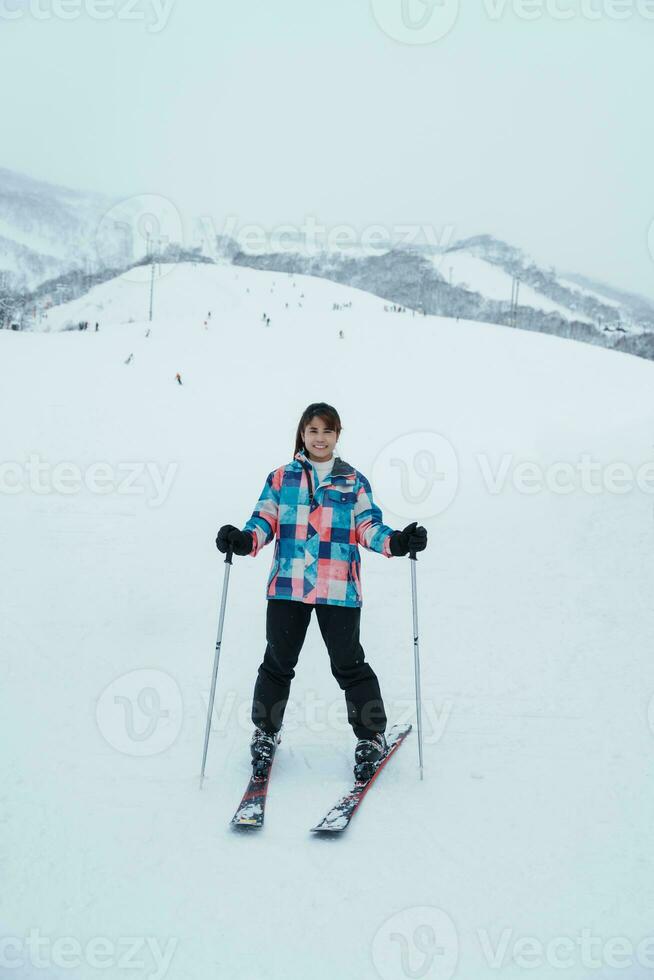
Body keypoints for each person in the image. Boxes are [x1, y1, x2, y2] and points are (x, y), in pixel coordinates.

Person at [216, 402, 427, 780]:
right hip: (288, 585)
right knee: (277, 663)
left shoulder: (353, 481)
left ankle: (370, 737)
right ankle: (266, 733)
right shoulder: (282, 478)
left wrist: (397, 542)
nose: (319, 438)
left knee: (349, 664)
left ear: (337, 435)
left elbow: (367, 526)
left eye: (327, 431)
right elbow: (263, 520)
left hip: (338, 586)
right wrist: (243, 540)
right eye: (312, 430)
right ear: (302, 433)